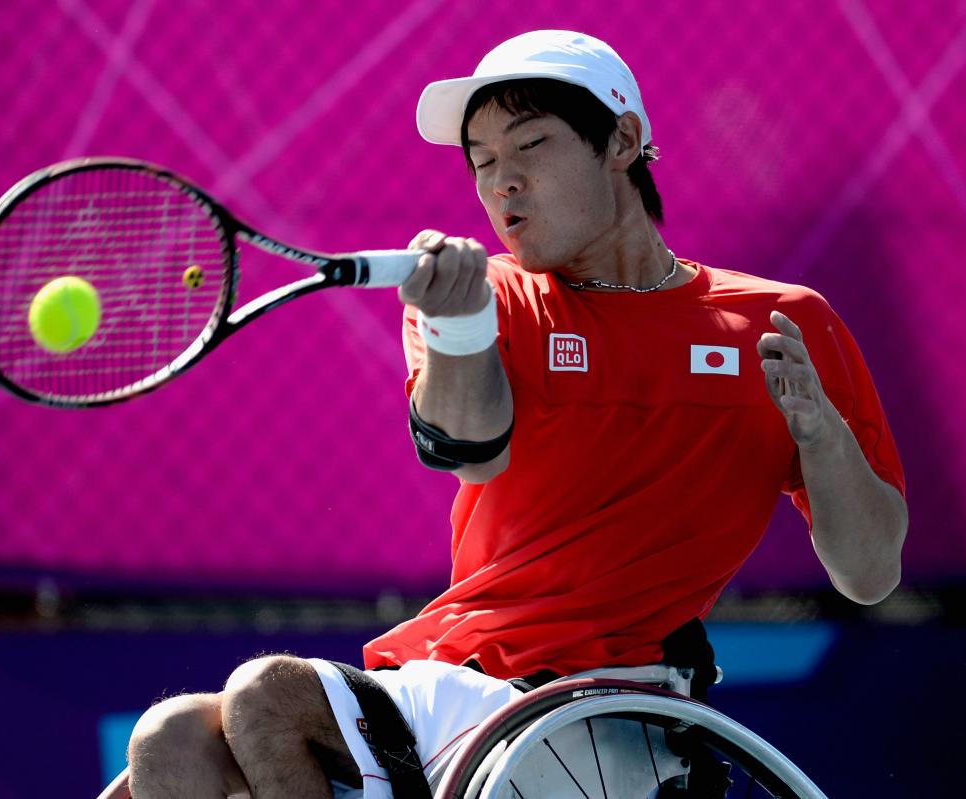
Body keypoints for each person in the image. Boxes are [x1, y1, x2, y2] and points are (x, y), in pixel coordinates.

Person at [115, 30, 907, 799]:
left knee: (266, 693)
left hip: (606, 704)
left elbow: (869, 572)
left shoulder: (783, 324)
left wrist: (820, 436)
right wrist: (458, 324)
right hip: (450, 683)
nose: (502, 182)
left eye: (530, 146)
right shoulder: (483, 299)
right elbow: (470, 446)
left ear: (622, 142)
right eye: (483, 162)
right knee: (171, 740)